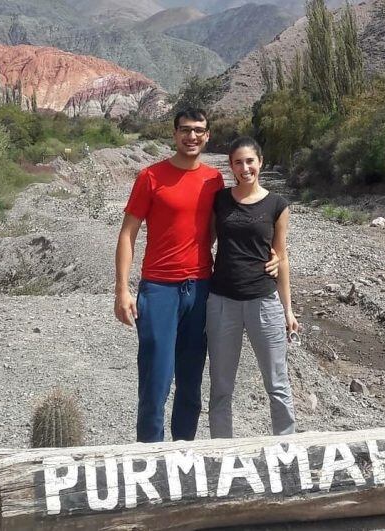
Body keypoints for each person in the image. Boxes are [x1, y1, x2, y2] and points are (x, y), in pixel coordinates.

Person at [114, 109, 277, 443]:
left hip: (202, 289)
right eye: (185, 130)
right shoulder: (150, 176)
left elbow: (231, 227)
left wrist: (272, 254)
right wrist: (122, 290)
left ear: (207, 135)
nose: (191, 136)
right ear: (174, 134)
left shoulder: (213, 180)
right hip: (159, 288)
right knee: (156, 381)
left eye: (198, 131)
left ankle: (183, 453)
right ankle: (151, 457)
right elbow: (128, 232)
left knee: (190, 383)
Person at [207, 136, 299, 439]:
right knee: (221, 387)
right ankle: (222, 452)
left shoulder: (277, 204)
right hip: (222, 302)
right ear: (231, 166)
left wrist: (288, 311)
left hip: (264, 301)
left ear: (260, 162)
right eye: (238, 162)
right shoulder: (220, 200)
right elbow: (204, 243)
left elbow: (280, 257)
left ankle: (286, 449)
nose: (245, 167)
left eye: (250, 161)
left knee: (277, 384)